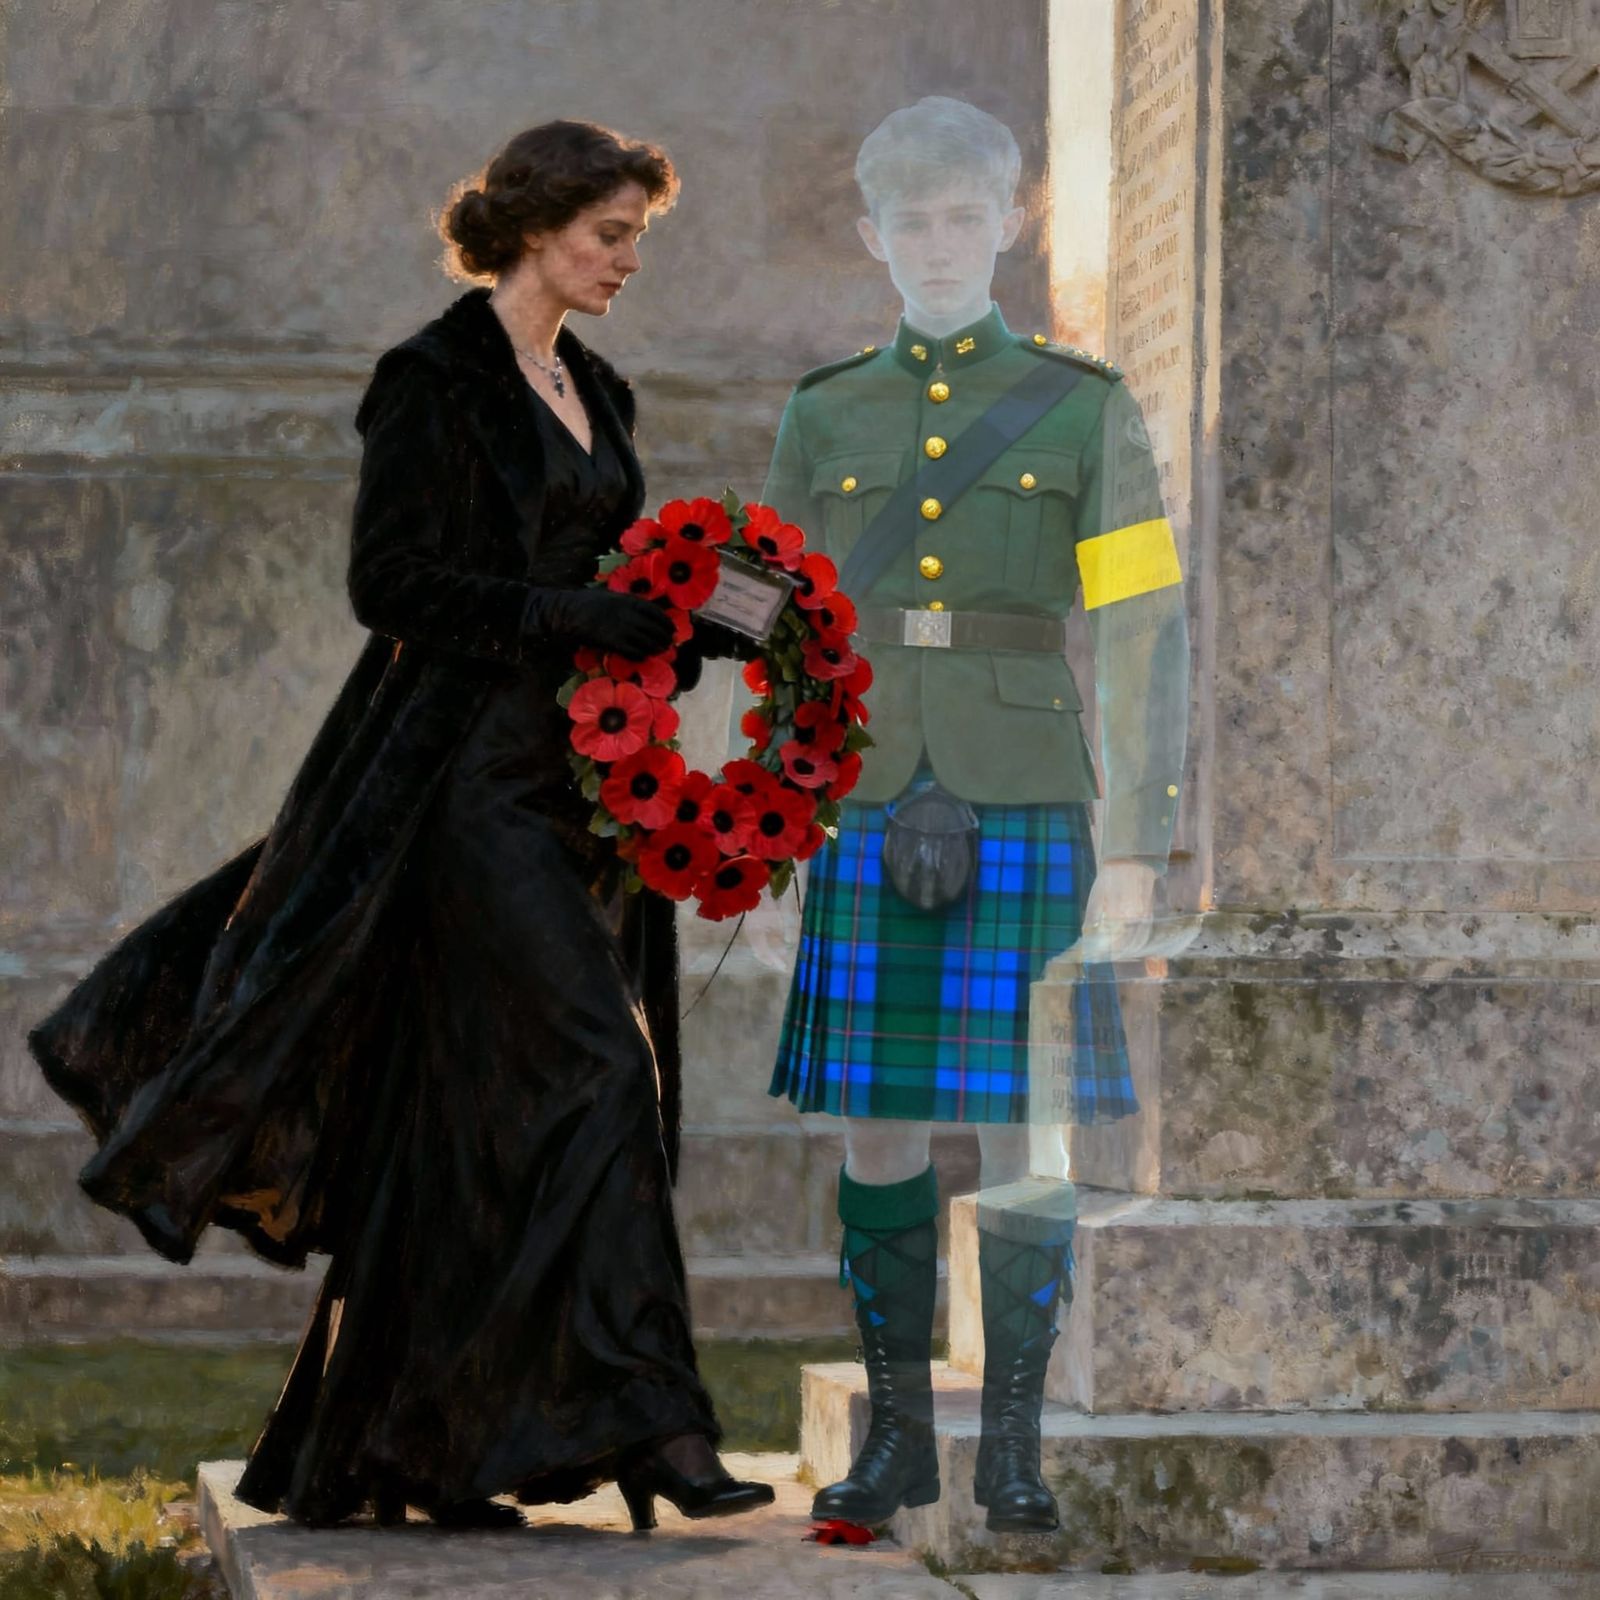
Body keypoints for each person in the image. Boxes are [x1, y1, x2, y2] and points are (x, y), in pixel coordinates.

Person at [28, 119, 773, 1533]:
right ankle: (659, 1429)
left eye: (636, 240)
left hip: (578, 791)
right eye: (609, 234)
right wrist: (571, 616)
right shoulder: (430, 380)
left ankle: (404, 1454)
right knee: (607, 1073)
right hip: (458, 789)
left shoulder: (598, 390)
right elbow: (396, 585)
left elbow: (597, 580)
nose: (627, 261)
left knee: (468, 1122)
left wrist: (679, 638)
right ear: (538, 226)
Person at [751, 98, 1188, 1533]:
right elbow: (789, 633)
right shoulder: (825, 411)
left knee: (1027, 1132)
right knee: (879, 1129)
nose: (937, 244)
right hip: (867, 786)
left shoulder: (1083, 404)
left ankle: (1013, 1445)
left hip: (1025, 793)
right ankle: (897, 1446)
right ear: (874, 237)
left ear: (1011, 221)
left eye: (963, 216)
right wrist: (771, 814)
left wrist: (1136, 846)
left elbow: (1136, 629)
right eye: (909, 222)